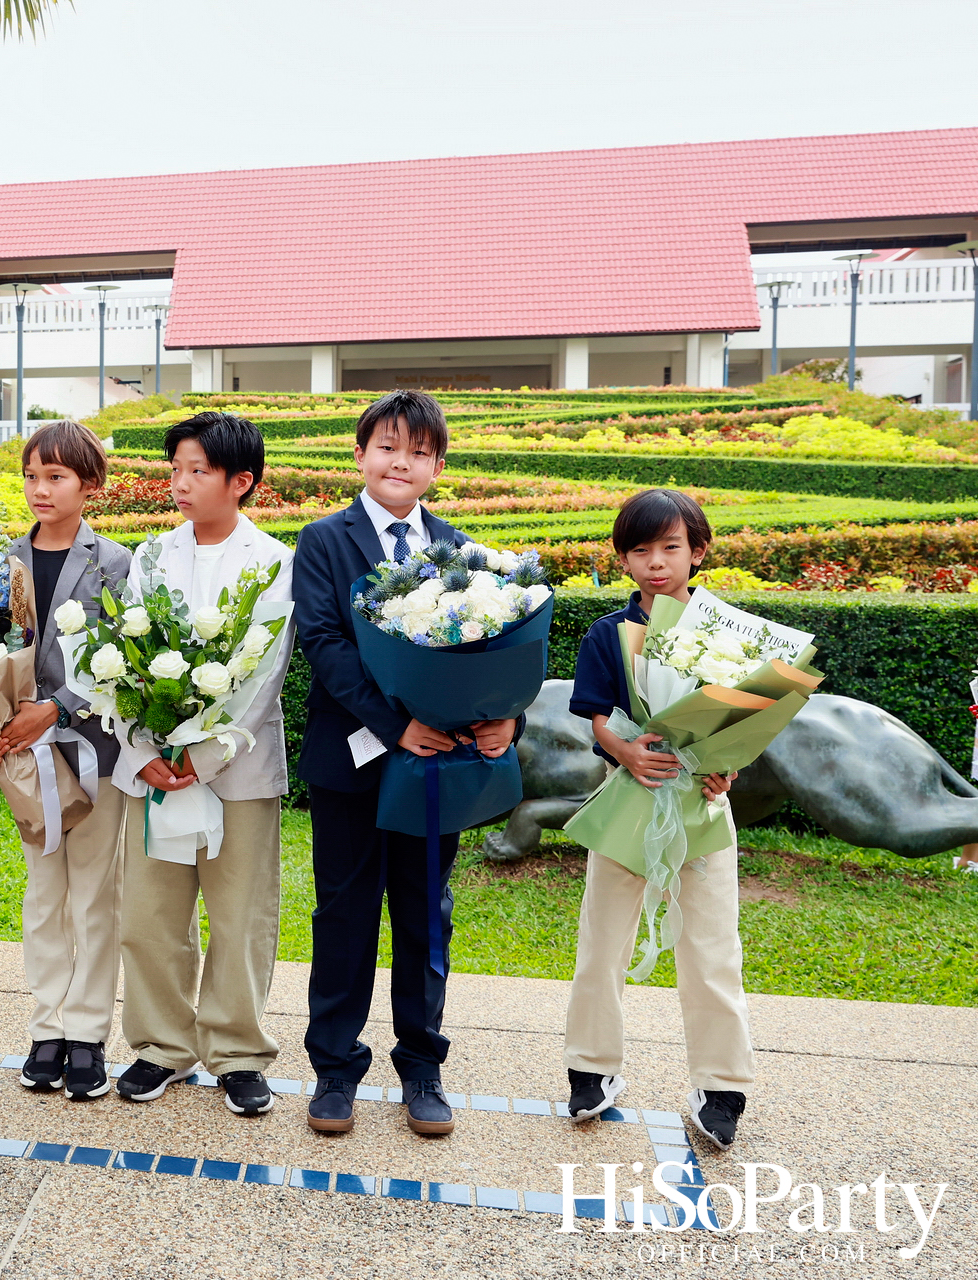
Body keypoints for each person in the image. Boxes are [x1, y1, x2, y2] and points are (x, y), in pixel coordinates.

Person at [292, 390, 517, 1139]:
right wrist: (398, 724)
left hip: (435, 771)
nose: (402, 461)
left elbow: (486, 650)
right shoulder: (323, 541)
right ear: (360, 454)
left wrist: (497, 714)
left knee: (425, 916)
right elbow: (323, 644)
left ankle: (422, 1069)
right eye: (388, 446)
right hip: (352, 764)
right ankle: (334, 1068)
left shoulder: (460, 551)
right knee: (345, 916)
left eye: (419, 452)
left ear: (437, 466)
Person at [110, 412, 295, 1117]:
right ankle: (161, 1046)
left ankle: (238, 1052)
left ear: (240, 482)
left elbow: (260, 674)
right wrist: (143, 747)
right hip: (154, 767)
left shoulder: (274, 562)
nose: (179, 484)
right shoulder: (152, 557)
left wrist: (203, 754)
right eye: (176, 469)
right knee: (149, 913)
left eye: (197, 471)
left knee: (241, 912)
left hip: (238, 772)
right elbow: (119, 662)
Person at [564, 487, 751, 1150]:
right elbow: (592, 710)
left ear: (697, 551)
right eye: (639, 550)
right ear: (623, 559)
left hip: (701, 808)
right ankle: (591, 1069)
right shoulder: (606, 634)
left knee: (711, 949)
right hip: (627, 802)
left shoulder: (731, 634)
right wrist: (622, 749)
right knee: (602, 941)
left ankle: (722, 1086)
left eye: (670, 547)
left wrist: (725, 765)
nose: (656, 563)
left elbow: (743, 717)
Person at [0, 421, 133, 1101]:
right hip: (21, 756)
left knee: (94, 897)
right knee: (44, 899)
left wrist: (60, 706)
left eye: (57, 477)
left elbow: (123, 659)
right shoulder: (0, 561)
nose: (41, 488)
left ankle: (89, 1035)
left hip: (92, 751)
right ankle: (46, 1028)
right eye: (33, 475)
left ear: (89, 486)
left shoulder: (116, 562)